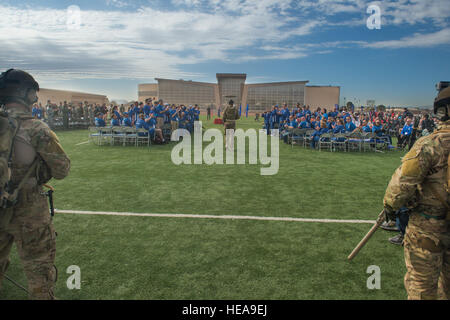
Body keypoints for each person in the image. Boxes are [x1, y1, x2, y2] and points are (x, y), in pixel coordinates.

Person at [0, 69, 71, 299]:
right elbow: (62, 169)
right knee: (39, 277)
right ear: (26, 94)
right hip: (29, 211)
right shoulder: (36, 128)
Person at [382, 83, 450, 300]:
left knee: (422, 287)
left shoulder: (430, 145)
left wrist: (390, 208)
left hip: (428, 227)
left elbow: (401, 185)